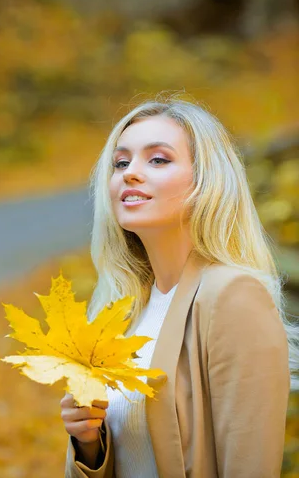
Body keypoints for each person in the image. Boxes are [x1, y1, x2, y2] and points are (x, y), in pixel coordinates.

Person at [60, 94, 299, 478]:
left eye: (158, 159)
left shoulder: (232, 296)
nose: (130, 173)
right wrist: (89, 441)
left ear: (206, 182)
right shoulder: (122, 311)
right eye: (120, 163)